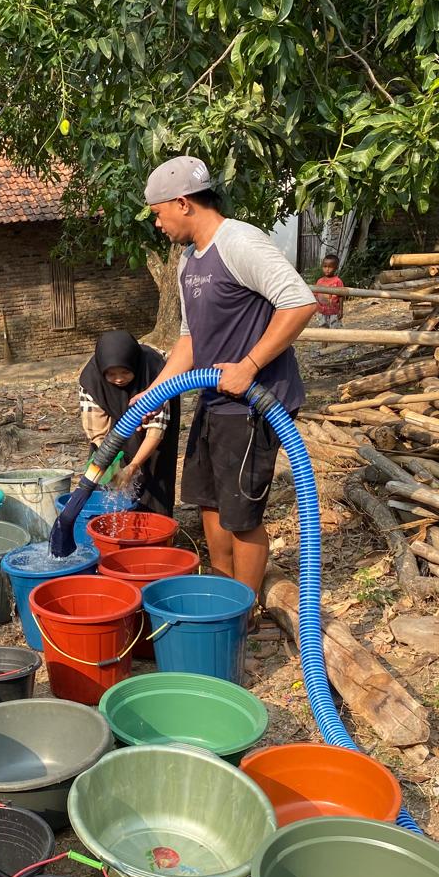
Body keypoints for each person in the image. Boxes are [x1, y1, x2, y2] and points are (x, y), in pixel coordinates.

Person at [135, 155, 316, 594]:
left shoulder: (239, 242)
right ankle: (223, 593)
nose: (157, 224)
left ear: (182, 203)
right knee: (209, 503)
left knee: (241, 516)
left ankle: (246, 609)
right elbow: (189, 340)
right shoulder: (187, 260)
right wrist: (155, 393)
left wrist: (250, 365)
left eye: (158, 214)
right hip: (213, 399)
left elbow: (299, 301)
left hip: (256, 403)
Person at [78, 331, 181, 516]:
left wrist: (133, 466)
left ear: (135, 364)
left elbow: (156, 430)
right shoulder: (91, 379)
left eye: (125, 372)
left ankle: (154, 527)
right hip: (114, 431)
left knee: (155, 474)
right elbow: (97, 432)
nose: (118, 378)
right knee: (108, 487)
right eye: (111, 374)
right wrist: (112, 464)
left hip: (153, 431)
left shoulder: (155, 371)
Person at [314, 254, 345, 328]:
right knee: (322, 328)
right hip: (322, 312)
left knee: (335, 329)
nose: (327, 269)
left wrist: (341, 310)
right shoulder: (319, 281)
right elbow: (315, 295)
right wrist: (316, 308)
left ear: (336, 268)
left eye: (330, 267)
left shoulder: (338, 281)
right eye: (325, 266)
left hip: (334, 312)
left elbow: (341, 296)